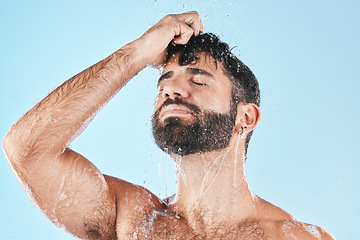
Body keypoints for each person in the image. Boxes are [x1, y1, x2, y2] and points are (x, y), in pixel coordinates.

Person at [3, 11, 334, 240]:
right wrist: (136, 54)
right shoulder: (134, 220)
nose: (172, 89)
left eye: (199, 80)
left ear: (245, 117)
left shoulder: (297, 237)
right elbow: (27, 149)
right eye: (164, 82)